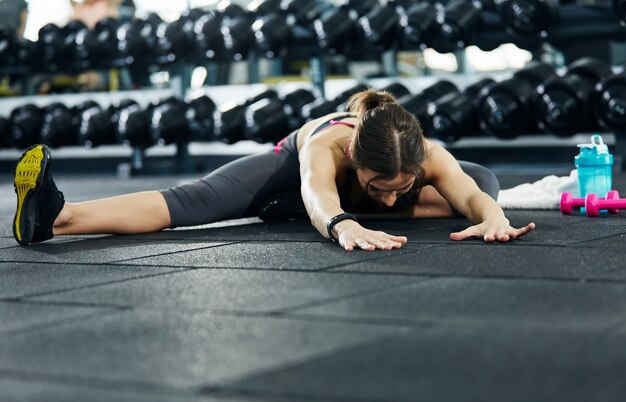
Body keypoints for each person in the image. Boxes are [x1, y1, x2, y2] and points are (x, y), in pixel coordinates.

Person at [12, 89, 535, 250]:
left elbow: (469, 192)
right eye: (383, 188)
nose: (393, 198)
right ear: (355, 158)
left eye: (402, 190)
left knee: (483, 184)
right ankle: (55, 218)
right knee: (197, 200)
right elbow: (318, 194)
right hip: (287, 171)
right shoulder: (327, 149)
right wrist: (341, 223)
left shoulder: (427, 152)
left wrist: (491, 216)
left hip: (341, 186)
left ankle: (284, 212)